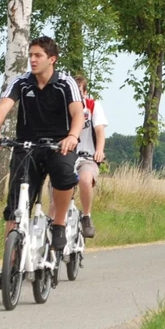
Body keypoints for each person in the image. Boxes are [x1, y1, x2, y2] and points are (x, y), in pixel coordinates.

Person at [0, 37, 84, 288]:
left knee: (64, 175)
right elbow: (3, 106)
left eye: (38, 55)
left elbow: (77, 113)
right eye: (31, 55)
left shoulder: (66, 83)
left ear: (52, 59)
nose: (32, 59)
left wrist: (72, 137)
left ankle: (59, 224)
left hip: (59, 145)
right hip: (27, 145)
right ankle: (10, 264)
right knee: (15, 204)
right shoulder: (21, 82)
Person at [72, 74, 107, 239]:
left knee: (85, 179)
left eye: (79, 91)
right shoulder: (63, 107)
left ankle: (86, 216)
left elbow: (100, 130)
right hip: (67, 156)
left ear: (85, 93)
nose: (76, 95)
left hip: (87, 156)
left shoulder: (92, 106)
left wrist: (99, 150)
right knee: (56, 196)